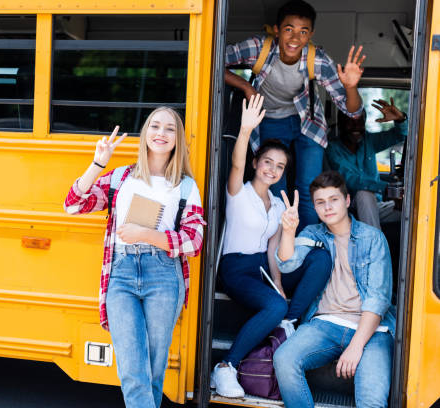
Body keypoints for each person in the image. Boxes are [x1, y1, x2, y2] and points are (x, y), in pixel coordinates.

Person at [63, 107, 205, 408]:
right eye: (155, 126)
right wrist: (98, 163)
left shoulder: (185, 186)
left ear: (178, 138)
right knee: (132, 370)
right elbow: (73, 205)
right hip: (122, 273)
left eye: (169, 128)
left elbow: (194, 241)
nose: (161, 133)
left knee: (153, 371)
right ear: (145, 134)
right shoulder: (121, 178)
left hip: (164, 275)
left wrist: (146, 234)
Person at [210, 95, 331, 398]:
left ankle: (290, 321)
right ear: (256, 163)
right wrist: (247, 129)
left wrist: (278, 282)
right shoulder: (239, 191)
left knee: (320, 258)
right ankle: (225, 366)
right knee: (274, 305)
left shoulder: (278, 204)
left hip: (263, 267)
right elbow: (236, 162)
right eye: (267, 162)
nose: (272, 170)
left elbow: (273, 250)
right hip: (237, 267)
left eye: (280, 166)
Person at [225, 0, 365, 231]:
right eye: (289, 29)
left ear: (311, 34)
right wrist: (246, 87)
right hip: (270, 121)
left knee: (309, 189)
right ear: (277, 30)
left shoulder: (317, 59)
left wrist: (350, 86)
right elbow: (210, 59)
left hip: (308, 124)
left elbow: (352, 110)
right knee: (274, 189)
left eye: (303, 32)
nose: (294, 38)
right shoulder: (258, 47)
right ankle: (278, 244)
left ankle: (305, 245)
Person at [273, 170, 395, 408]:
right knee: (284, 359)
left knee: (371, 402)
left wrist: (355, 346)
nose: (327, 207)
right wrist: (288, 230)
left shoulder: (373, 238)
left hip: (372, 331)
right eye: (320, 202)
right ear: (315, 208)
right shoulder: (313, 232)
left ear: (347, 201)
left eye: (333, 200)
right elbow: (287, 264)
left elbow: (378, 300)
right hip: (325, 324)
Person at [326, 98, 407, 229]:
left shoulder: (368, 140)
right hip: (347, 209)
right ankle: (374, 247)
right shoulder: (333, 148)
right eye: (350, 122)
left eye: (360, 122)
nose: (356, 127)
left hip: (376, 206)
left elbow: (400, 135)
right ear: (340, 124)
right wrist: (388, 189)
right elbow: (353, 181)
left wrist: (400, 119)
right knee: (364, 194)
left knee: (411, 205)